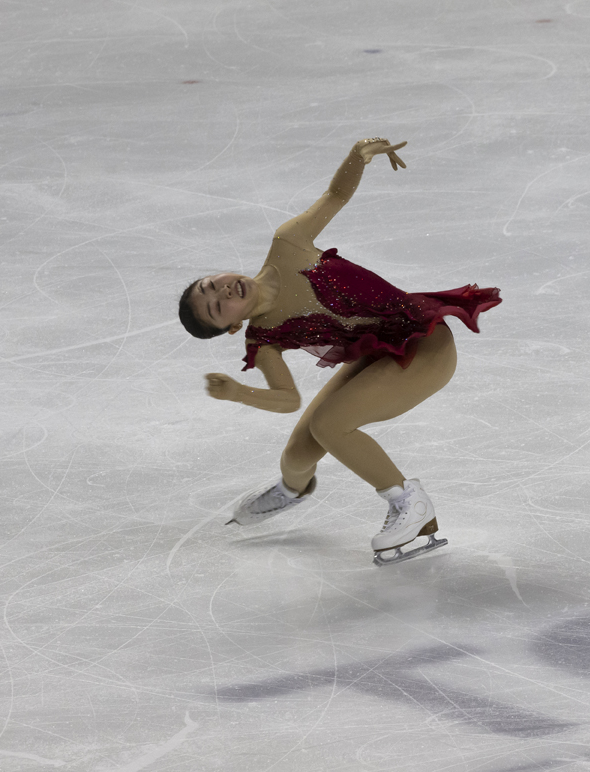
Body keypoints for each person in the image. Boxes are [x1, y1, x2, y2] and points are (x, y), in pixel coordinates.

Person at [177, 138, 501, 565]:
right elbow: (287, 399)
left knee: (331, 423)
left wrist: (357, 156)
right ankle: (292, 490)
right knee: (297, 454)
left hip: (426, 346)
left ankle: (408, 502)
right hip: (382, 357)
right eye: (218, 307)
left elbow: (335, 196)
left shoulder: (287, 244)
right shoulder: (263, 338)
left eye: (211, 285)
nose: (222, 290)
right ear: (233, 325)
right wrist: (238, 392)